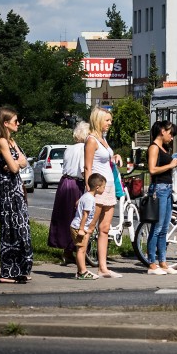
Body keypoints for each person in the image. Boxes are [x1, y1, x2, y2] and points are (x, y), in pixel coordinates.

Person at [0, 107, 33, 284]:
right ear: (5, 123)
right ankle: (7, 272)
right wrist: (15, 165)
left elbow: (24, 161)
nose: (18, 124)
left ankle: (21, 268)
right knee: (10, 230)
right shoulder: (1, 141)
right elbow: (17, 167)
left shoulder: (11, 141)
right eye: (15, 121)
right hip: (8, 191)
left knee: (22, 229)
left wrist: (14, 163)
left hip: (16, 188)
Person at [84, 107, 123, 279]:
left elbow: (105, 159)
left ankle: (103, 267)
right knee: (89, 227)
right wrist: (89, 191)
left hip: (108, 188)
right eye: (107, 120)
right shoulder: (91, 140)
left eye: (110, 121)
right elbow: (88, 167)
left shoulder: (103, 139)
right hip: (97, 189)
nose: (110, 123)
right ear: (98, 120)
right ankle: (81, 267)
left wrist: (115, 158)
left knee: (105, 228)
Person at [146, 120, 177, 275]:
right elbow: (152, 169)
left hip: (167, 188)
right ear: (162, 131)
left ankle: (162, 262)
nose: (171, 137)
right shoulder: (154, 147)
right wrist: (171, 165)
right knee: (157, 227)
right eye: (170, 133)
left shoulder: (164, 148)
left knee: (164, 227)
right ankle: (152, 263)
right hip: (159, 189)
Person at [48, 121, 90, 263]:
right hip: (75, 184)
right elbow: (84, 169)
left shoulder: (69, 149)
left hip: (64, 182)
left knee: (64, 216)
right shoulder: (83, 149)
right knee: (76, 216)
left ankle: (66, 249)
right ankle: (72, 249)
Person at [70, 173, 106, 280]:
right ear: (97, 187)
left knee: (80, 249)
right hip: (79, 227)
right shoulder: (90, 199)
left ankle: (80, 271)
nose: (104, 189)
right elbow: (85, 215)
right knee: (81, 250)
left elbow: (78, 204)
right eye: (103, 187)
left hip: (77, 226)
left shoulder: (86, 195)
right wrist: (81, 229)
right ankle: (83, 272)